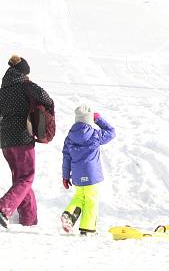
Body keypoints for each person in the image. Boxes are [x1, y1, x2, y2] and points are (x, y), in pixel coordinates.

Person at [0, 56, 55, 229]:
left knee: (21, 180)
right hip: (22, 136)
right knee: (26, 178)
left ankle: (28, 220)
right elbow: (47, 99)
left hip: (5, 139)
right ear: (24, 72)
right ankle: (3, 207)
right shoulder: (26, 85)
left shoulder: (2, 90)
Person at [60, 106, 116, 235]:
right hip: (91, 174)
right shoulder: (95, 134)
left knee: (80, 196)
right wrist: (98, 119)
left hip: (77, 175)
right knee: (91, 200)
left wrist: (65, 176)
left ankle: (68, 214)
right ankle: (88, 228)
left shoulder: (69, 138)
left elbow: (66, 157)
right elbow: (111, 132)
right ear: (89, 120)